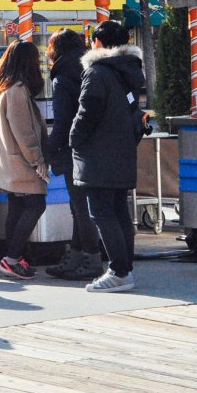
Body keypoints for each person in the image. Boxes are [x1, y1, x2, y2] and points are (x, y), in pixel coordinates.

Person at [70, 20, 146, 293]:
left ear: (98, 43)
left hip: (98, 153)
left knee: (102, 212)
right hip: (122, 150)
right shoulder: (129, 71)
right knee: (118, 212)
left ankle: (118, 271)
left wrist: (74, 138)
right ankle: (124, 268)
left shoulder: (97, 72)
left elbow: (88, 109)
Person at [0, 40, 49, 280]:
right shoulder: (17, 89)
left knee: (17, 206)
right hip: (21, 161)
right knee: (36, 204)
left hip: (8, 160)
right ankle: (12, 258)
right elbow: (23, 130)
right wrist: (37, 160)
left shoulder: (1, 87)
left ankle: (14, 257)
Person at [44, 29, 102, 281]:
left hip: (73, 148)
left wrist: (47, 149)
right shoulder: (93, 68)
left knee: (79, 206)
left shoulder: (62, 78)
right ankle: (78, 255)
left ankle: (90, 257)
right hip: (97, 144)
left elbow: (63, 121)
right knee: (81, 205)